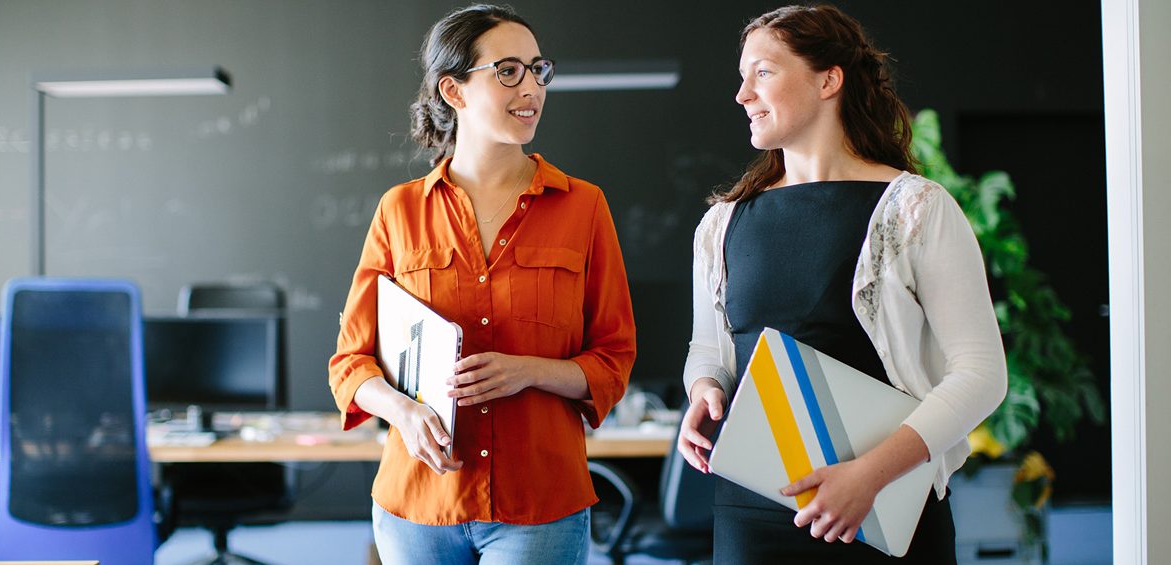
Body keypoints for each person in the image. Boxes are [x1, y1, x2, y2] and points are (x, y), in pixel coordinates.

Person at [677, 5, 1006, 563]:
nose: (741, 94)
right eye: (742, 76)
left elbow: (981, 375)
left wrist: (868, 477)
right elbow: (708, 348)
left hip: (884, 507)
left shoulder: (915, 210)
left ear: (829, 79)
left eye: (762, 72)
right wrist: (704, 388)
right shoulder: (722, 224)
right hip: (752, 514)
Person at [328, 4, 636, 564]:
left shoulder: (584, 207)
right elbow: (351, 363)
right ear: (454, 90)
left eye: (538, 70)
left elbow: (614, 359)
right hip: (416, 505)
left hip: (539, 506)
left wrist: (529, 371)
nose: (532, 88)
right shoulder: (399, 210)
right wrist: (402, 411)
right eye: (508, 70)